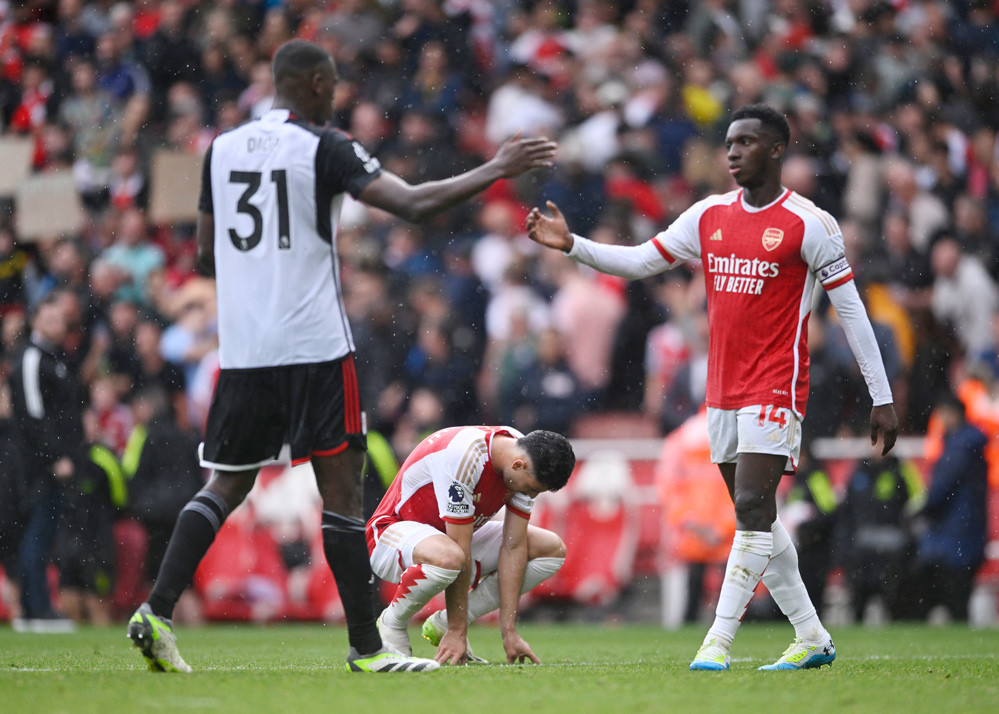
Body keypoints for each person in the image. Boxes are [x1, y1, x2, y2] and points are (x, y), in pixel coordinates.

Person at [127, 38, 556, 674]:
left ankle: (155, 613)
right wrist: (495, 169)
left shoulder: (220, 148)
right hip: (316, 348)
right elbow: (412, 202)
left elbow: (206, 256)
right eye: (333, 89)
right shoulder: (323, 146)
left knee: (225, 484)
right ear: (319, 87)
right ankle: (368, 648)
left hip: (244, 351)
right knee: (342, 494)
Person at [527, 104, 898, 671]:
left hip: (776, 385)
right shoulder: (708, 216)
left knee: (751, 506)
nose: (732, 152)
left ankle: (716, 642)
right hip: (723, 390)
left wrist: (882, 395)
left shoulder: (810, 223)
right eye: (729, 142)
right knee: (760, 519)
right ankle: (813, 636)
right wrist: (572, 244)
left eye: (746, 142)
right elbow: (638, 261)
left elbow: (852, 314)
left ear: (776, 150)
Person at [366, 427, 574, 665]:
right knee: (451, 556)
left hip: (449, 543)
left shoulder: (521, 456)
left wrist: (509, 633)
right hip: (389, 536)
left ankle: (443, 624)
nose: (532, 496)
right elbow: (460, 548)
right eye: (533, 489)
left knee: (551, 550)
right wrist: (459, 630)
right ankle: (392, 623)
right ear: (518, 466)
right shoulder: (465, 457)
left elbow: (514, 547)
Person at [9, 291, 86, 632]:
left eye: (61, 319)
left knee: (45, 531)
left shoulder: (55, 357)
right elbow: (32, 414)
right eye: (51, 319)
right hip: (38, 464)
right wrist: (55, 457)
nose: (59, 325)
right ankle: (35, 607)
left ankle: (36, 605)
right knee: (37, 533)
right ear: (35, 322)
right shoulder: (30, 357)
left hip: (55, 460)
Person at [910, 392, 988, 622]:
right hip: (965, 529)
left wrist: (921, 509)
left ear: (953, 414)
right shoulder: (967, 443)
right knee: (958, 598)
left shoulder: (958, 446)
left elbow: (942, 488)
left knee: (950, 597)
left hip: (954, 533)